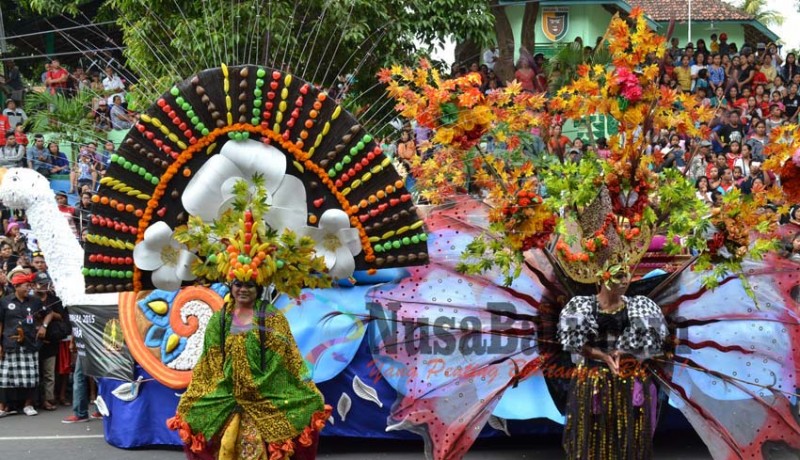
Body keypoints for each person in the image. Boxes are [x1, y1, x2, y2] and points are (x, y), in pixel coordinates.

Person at [167, 279, 330, 458]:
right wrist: (229, 386)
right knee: (190, 409)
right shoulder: (219, 319)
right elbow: (210, 362)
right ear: (231, 287)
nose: (243, 290)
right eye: (238, 285)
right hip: (226, 390)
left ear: (258, 288)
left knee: (308, 404)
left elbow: (281, 360)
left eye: (249, 286)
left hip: (266, 390)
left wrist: (252, 386)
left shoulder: (272, 318)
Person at [558, 273, 668, 458]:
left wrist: (625, 352)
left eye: (626, 276)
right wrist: (601, 355)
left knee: (630, 433)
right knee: (594, 433)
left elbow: (653, 343)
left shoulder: (640, 305)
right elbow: (574, 344)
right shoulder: (581, 306)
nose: (625, 281)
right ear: (601, 279)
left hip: (630, 379)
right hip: (593, 381)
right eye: (618, 276)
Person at [0, 272, 51, 417]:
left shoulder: (35, 301)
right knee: (6, 377)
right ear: (16, 286)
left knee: (30, 377)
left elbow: (49, 313)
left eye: (29, 285)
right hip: (9, 343)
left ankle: (29, 405)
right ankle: (3, 407)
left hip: (30, 343)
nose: (29, 288)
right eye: (26, 285)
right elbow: (1, 324)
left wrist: (44, 326)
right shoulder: (4, 301)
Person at [33, 271, 66, 412]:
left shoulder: (54, 299)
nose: (44, 286)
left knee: (49, 373)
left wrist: (50, 314)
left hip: (51, 340)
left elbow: (62, 316)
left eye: (46, 283)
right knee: (34, 373)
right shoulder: (30, 300)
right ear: (34, 285)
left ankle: (48, 399)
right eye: (41, 284)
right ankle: (33, 400)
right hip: (33, 341)